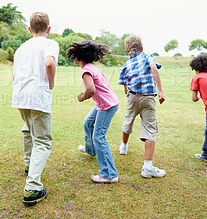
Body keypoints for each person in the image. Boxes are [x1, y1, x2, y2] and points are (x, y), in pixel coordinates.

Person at [11, 11, 59, 206]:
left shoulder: (21, 48)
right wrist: (52, 81)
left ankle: (29, 165)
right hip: (37, 94)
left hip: (20, 95)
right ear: (48, 29)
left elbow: (14, 75)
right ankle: (32, 187)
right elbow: (49, 62)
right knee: (43, 140)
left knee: (28, 130)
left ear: (30, 29)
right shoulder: (50, 43)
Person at [66, 40, 120, 183]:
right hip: (105, 103)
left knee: (99, 137)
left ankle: (109, 174)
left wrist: (81, 97)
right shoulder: (92, 67)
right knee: (88, 123)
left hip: (106, 105)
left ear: (78, 57)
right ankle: (91, 150)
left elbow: (90, 90)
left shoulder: (86, 71)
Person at [118, 35, 166, 178]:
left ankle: (124, 147)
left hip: (132, 97)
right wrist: (161, 91)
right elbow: (153, 68)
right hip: (148, 97)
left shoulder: (125, 65)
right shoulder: (147, 56)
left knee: (128, 120)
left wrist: (129, 94)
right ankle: (147, 167)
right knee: (150, 129)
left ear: (127, 51)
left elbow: (125, 86)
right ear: (142, 48)